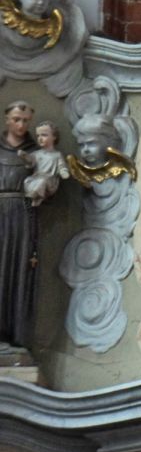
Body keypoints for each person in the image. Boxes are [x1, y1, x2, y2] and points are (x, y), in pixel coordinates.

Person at [0, 101, 36, 349]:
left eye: (25, 120)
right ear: (7, 120)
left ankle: (14, 335)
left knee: (19, 269)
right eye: (16, 119)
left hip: (23, 214)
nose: (21, 125)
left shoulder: (36, 151)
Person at [22, 121, 68, 206]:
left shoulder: (57, 155)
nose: (40, 138)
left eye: (44, 135)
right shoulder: (36, 154)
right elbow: (31, 163)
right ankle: (36, 197)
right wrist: (25, 157)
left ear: (54, 137)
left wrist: (63, 172)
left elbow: (61, 166)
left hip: (49, 180)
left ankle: (37, 196)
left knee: (42, 181)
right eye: (38, 136)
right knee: (27, 180)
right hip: (37, 177)